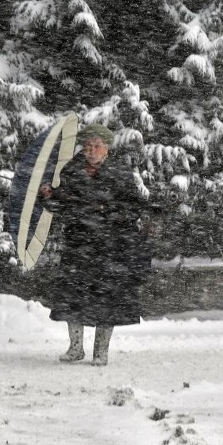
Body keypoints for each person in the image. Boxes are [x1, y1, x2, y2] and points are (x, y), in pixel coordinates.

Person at [40, 124, 149, 366]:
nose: (91, 150)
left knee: (107, 299)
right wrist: (49, 197)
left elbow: (133, 208)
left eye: (96, 146)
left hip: (110, 247)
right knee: (72, 296)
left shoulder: (120, 173)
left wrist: (105, 213)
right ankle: (75, 348)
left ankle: (101, 352)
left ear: (106, 149)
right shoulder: (71, 171)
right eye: (87, 145)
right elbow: (62, 204)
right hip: (78, 245)